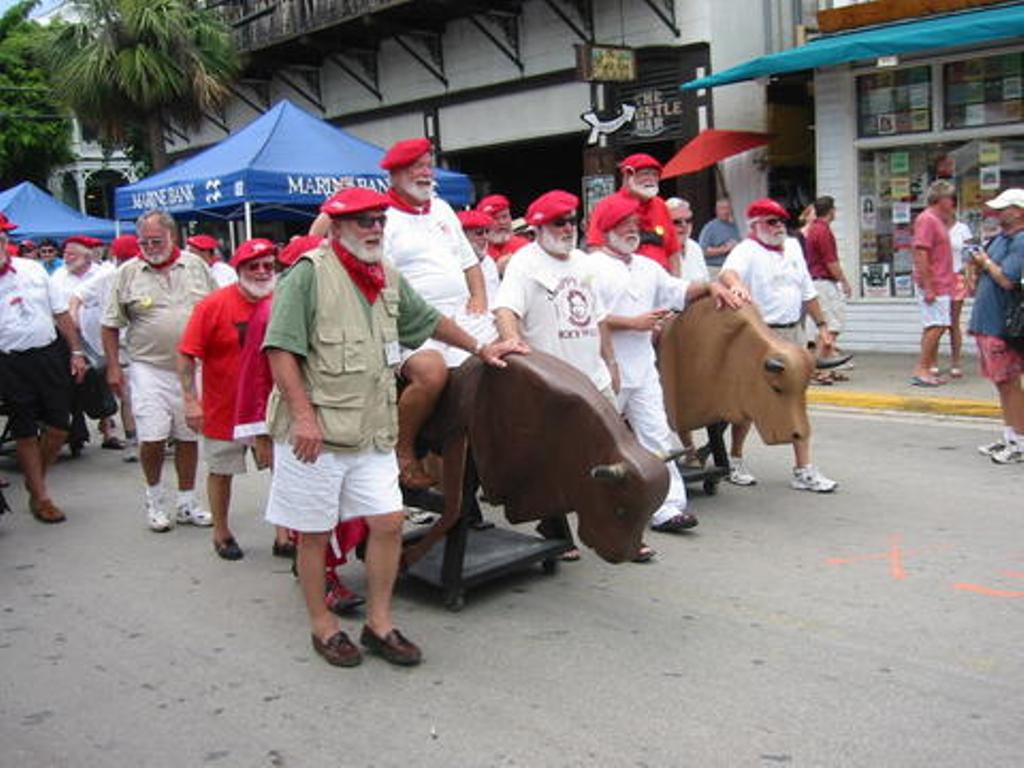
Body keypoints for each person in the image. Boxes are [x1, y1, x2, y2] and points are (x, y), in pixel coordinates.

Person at [261, 187, 522, 668]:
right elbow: (280, 349)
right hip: (318, 434)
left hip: (373, 428)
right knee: (314, 534)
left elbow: (429, 321)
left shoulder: (385, 275)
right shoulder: (308, 274)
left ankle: (379, 624)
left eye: (380, 220)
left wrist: (480, 348)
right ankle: (323, 627)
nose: (375, 229)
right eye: (364, 221)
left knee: (388, 521)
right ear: (338, 227)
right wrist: (302, 418)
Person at [590, 195, 748, 534]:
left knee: (657, 437)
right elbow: (590, 317)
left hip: (643, 369)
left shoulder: (647, 267)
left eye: (635, 225)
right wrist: (632, 323)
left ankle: (668, 507)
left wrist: (712, 286)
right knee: (599, 442)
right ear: (607, 229)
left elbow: (680, 289)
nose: (632, 231)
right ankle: (590, 507)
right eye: (624, 225)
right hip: (604, 370)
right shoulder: (590, 268)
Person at [232, 234, 366, 612]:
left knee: (342, 508)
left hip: (342, 423)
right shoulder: (272, 311)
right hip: (303, 427)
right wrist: (260, 433)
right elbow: (257, 377)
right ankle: (323, 580)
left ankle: (318, 568)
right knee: (318, 512)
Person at [494, 190, 624, 560]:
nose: (568, 228)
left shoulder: (583, 262)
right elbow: (505, 310)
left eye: (571, 221)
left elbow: (599, 317)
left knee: (612, 452)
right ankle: (554, 524)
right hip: (554, 383)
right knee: (555, 459)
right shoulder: (525, 263)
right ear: (537, 228)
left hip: (593, 376)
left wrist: (611, 362)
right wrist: (513, 345)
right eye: (559, 223)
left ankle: (616, 526)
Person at [378, 138, 493, 489]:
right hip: (411, 323)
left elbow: (469, 262)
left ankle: (493, 453)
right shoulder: (382, 218)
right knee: (431, 373)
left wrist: (479, 298)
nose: (425, 173)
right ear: (395, 174)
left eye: (428, 166)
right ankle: (403, 450)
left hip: (459, 315)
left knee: (508, 361)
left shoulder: (442, 209)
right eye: (416, 167)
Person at [102, 210, 217, 532]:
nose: (150, 248)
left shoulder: (196, 266)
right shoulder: (127, 273)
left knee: (188, 435)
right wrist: (113, 367)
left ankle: (187, 502)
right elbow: (110, 324)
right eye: (144, 242)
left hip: (192, 367)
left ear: (173, 237)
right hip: (148, 367)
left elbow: (217, 310)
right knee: (152, 438)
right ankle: (154, 499)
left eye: (156, 241)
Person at [718, 198, 838, 493]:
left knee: (797, 398)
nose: (779, 227)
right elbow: (728, 273)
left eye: (782, 221)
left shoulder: (793, 247)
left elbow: (807, 290)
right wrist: (736, 284)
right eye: (771, 222)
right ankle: (735, 459)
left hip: (793, 331)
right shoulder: (746, 250)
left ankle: (803, 468)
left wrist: (822, 325)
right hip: (760, 334)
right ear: (755, 225)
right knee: (748, 400)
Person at [178, 238, 281, 561]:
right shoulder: (212, 306)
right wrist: (190, 401)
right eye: (254, 266)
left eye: (268, 265)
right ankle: (221, 533)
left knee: (282, 472)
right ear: (239, 270)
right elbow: (187, 355)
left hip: (273, 408)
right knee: (222, 471)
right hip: (226, 409)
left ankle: (284, 534)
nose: (262, 272)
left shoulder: (283, 302)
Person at [0, 213, 89, 523]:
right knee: (24, 430)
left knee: (59, 427)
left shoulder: (33, 269)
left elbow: (61, 312)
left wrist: (76, 351)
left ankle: (34, 478)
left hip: (48, 354)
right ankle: (41, 496)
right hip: (8, 361)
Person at [966, 188, 1024, 465]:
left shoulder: (1020, 241)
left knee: (1010, 383)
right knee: (1001, 383)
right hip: (986, 322)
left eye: (1005, 209)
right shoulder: (1000, 239)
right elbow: (980, 267)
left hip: (1003, 324)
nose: (998, 213)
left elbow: (1007, 280)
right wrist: (975, 264)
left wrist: (985, 262)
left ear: (1019, 211)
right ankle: (1010, 436)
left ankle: (1020, 441)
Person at [72, 234, 140, 461]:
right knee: (129, 396)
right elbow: (76, 296)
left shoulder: (145, 273)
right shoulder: (106, 276)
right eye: (125, 259)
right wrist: (74, 316)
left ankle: (155, 437)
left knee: (139, 395)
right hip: (119, 345)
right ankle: (133, 441)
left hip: (143, 344)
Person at [52, 236, 121, 454]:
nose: (67, 258)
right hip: (70, 338)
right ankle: (77, 431)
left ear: (86, 256)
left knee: (102, 381)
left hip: (99, 334)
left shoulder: (102, 273)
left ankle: (107, 428)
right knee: (76, 382)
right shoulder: (58, 276)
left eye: (72, 254)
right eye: (65, 254)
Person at [586, 153, 681, 274]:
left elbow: (673, 252)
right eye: (645, 173)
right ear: (627, 175)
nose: (651, 179)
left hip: (661, 280)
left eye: (655, 174)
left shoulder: (660, 206)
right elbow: (595, 248)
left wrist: (676, 280)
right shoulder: (607, 206)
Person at [910, 180, 957, 387]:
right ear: (941, 199)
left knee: (936, 325)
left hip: (942, 281)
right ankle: (922, 368)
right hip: (934, 282)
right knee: (936, 326)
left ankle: (927, 368)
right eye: (951, 198)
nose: (953, 202)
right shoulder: (927, 219)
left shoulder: (937, 220)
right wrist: (929, 286)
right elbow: (921, 252)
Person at [803, 196, 853, 383]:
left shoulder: (813, 229)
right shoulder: (823, 231)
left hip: (816, 281)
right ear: (831, 211)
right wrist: (844, 281)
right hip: (823, 282)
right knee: (833, 325)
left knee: (823, 327)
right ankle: (820, 369)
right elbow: (831, 262)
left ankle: (827, 367)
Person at [946, 215, 974, 379]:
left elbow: (969, 256)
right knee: (936, 323)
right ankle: (931, 361)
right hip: (938, 277)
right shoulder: (934, 226)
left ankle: (956, 362)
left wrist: (970, 277)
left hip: (957, 275)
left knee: (954, 321)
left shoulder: (962, 229)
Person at [457, 209, 500, 307]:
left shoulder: (489, 262)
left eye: (487, 232)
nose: (485, 237)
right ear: (463, 237)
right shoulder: (453, 263)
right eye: (479, 233)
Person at [476, 194, 529, 272]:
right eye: (495, 218)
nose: (502, 222)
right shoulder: (475, 250)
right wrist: (495, 270)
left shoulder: (524, 246)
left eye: (505, 217)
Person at [666, 197, 710, 282]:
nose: (684, 225)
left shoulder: (695, 248)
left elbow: (706, 281)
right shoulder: (658, 250)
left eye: (688, 220)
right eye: (677, 222)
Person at [698, 198, 741, 268]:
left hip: (731, 267)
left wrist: (736, 246)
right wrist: (724, 249)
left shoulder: (734, 227)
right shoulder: (710, 227)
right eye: (723, 208)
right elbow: (702, 251)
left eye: (728, 208)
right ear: (717, 210)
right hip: (714, 267)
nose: (726, 211)